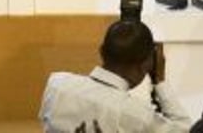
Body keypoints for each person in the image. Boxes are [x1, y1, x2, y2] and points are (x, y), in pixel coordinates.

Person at [39, 19, 191, 133]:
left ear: (101, 51)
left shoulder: (56, 84)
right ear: (146, 64)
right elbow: (185, 130)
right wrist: (160, 81)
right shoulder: (137, 115)